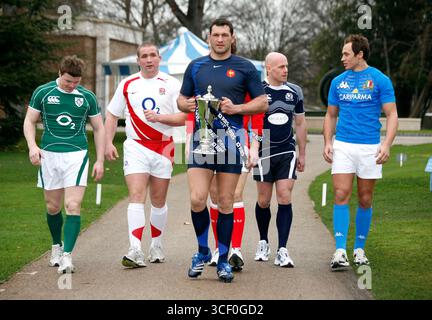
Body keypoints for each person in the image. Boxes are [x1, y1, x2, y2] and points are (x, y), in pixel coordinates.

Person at [178, 18, 268, 282]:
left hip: (231, 140)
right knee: (197, 198)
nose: (220, 39)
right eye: (215, 35)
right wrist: (189, 104)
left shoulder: (245, 67)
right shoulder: (195, 67)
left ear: (232, 37)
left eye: (224, 35)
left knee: (225, 202)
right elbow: (181, 100)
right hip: (202, 138)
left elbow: (263, 102)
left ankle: (224, 260)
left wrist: (237, 109)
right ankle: (203, 250)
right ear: (209, 37)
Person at [105, 43, 186, 268]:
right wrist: (108, 142)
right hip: (136, 146)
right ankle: (135, 249)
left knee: (158, 200)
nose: (149, 60)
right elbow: (111, 115)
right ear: (138, 60)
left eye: (153, 55)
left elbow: (186, 117)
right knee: (136, 195)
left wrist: (160, 118)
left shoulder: (171, 84)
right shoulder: (127, 84)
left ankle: (156, 245)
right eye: (144, 56)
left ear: (159, 58)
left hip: (164, 147)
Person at [23, 55, 105, 274]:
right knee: (53, 207)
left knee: (72, 205)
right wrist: (33, 146)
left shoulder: (87, 97)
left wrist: (99, 159)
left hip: (77, 155)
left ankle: (67, 256)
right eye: (68, 81)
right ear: (60, 74)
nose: (71, 86)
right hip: (49, 155)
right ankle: (56, 246)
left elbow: (99, 127)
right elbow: (30, 121)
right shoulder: (43, 92)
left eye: (76, 82)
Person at [323, 34, 398, 270]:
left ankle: (359, 249)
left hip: (369, 147)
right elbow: (331, 114)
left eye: (346, 54)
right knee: (341, 193)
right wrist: (328, 141)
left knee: (365, 198)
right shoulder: (338, 82)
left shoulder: (380, 80)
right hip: (343, 145)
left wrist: (386, 145)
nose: (342, 57)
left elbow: (392, 115)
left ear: (360, 54)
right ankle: (339, 251)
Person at [253, 52, 307, 268]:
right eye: (280, 67)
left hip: (287, 151)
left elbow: (301, 124)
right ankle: (263, 241)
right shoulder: (258, 92)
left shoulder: (295, 91)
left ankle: (282, 249)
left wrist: (302, 153)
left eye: (287, 66)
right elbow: (250, 123)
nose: (285, 70)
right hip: (264, 150)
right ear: (268, 69)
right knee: (264, 200)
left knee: (284, 196)